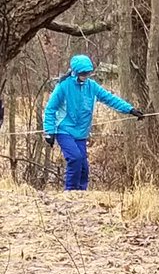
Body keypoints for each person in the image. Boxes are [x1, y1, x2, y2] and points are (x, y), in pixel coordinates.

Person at [43, 54, 144, 190]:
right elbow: (50, 109)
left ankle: (81, 193)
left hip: (81, 132)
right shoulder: (63, 86)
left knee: (84, 167)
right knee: (75, 158)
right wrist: (49, 132)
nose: (85, 76)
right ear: (75, 72)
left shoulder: (92, 86)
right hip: (64, 130)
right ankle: (71, 192)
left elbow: (110, 99)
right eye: (83, 73)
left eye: (88, 73)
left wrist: (130, 109)